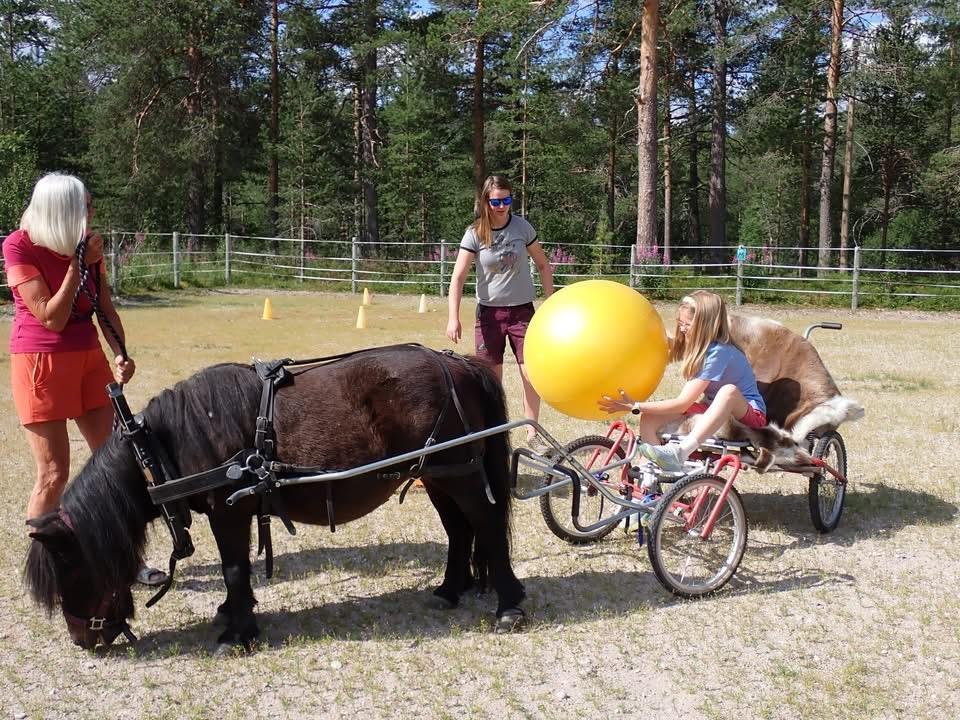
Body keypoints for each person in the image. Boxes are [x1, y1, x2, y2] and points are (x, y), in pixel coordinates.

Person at [4, 173, 165, 586]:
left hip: (89, 358)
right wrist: (78, 264)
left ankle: (126, 559)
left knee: (115, 462)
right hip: (40, 362)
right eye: (85, 206)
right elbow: (51, 317)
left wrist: (120, 351)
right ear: (62, 211)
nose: (92, 213)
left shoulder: (89, 246)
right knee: (53, 473)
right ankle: (48, 568)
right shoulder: (18, 245)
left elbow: (104, 305)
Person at [599, 290, 767, 472]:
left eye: (687, 324)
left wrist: (636, 406)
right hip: (711, 408)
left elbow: (683, 403)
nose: (682, 329)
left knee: (729, 391)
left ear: (705, 326)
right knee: (650, 417)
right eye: (680, 323)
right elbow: (667, 340)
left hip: (747, 417)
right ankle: (654, 470)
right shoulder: (697, 344)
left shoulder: (719, 352)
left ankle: (680, 452)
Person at [446, 175, 554, 446]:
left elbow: (543, 265)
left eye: (506, 200)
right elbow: (458, 278)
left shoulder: (522, 227)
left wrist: (551, 303)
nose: (502, 206)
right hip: (489, 316)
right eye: (496, 202)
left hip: (522, 314)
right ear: (486, 202)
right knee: (490, 381)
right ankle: (495, 436)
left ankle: (532, 432)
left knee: (531, 375)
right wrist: (453, 318)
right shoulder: (474, 233)